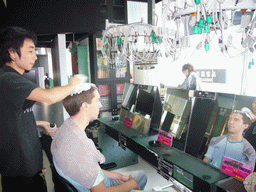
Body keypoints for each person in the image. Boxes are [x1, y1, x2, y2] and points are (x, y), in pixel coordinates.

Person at [0, 26, 83, 192]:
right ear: (12, 53)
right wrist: (74, 84)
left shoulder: (12, 79)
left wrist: (39, 123)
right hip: (20, 170)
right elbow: (49, 97)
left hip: (27, 166)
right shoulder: (9, 78)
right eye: (30, 51)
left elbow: (10, 117)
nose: (35, 57)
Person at [51, 82, 147, 192]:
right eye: (97, 100)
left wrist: (116, 176)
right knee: (139, 179)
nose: (100, 105)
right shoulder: (82, 147)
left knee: (142, 175)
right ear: (85, 106)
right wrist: (130, 185)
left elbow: (88, 170)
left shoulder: (64, 129)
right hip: (102, 188)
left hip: (93, 181)